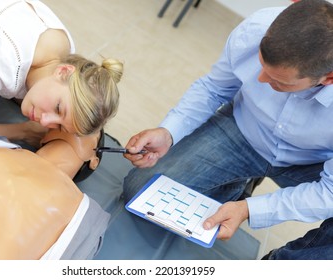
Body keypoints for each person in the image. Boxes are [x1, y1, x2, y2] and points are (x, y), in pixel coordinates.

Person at [123, 0, 333, 260]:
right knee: (142, 191)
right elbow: (214, 89)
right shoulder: (258, 27)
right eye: (261, 66)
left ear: (328, 78)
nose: (260, 80)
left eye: (278, 82)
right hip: (243, 130)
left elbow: (329, 192)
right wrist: (169, 132)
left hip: (314, 162)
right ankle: (238, 183)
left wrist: (249, 209)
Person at [0, 0, 123, 147]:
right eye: (58, 108)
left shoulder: (63, 48)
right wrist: (22, 131)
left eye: (59, 125)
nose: (44, 122)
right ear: (63, 71)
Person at [0, 129, 109, 260]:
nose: (77, 123)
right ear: (44, 135)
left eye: (90, 126)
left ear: (94, 161)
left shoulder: (87, 214)